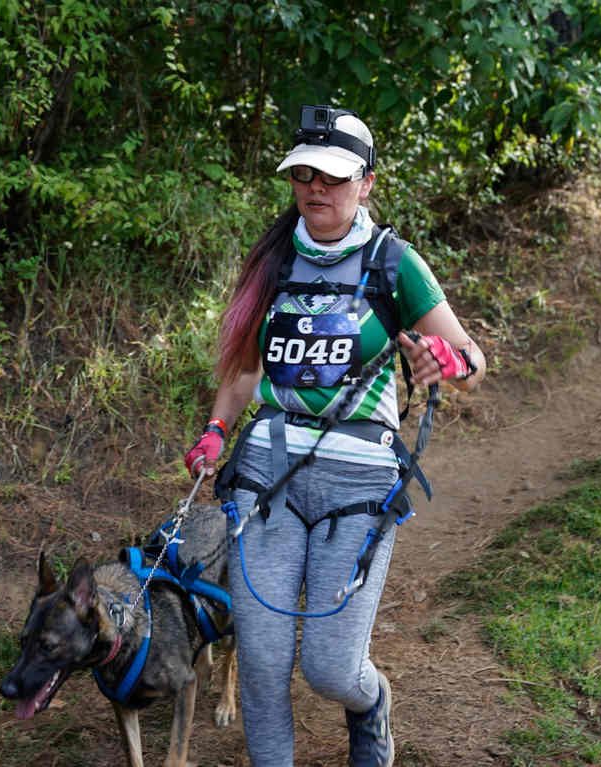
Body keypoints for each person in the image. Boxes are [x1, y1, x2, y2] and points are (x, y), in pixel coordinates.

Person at [184, 106, 486, 767]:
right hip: (268, 469)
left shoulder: (394, 263)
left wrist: (446, 360)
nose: (317, 188)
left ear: (367, 183)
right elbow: (242, 367)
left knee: (328, 667)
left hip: (360, 481)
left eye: (335, 176)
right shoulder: (272, 260)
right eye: (304, 174)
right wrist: (214, 431)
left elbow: (472, 356)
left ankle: (370, 702)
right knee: (261, 660)